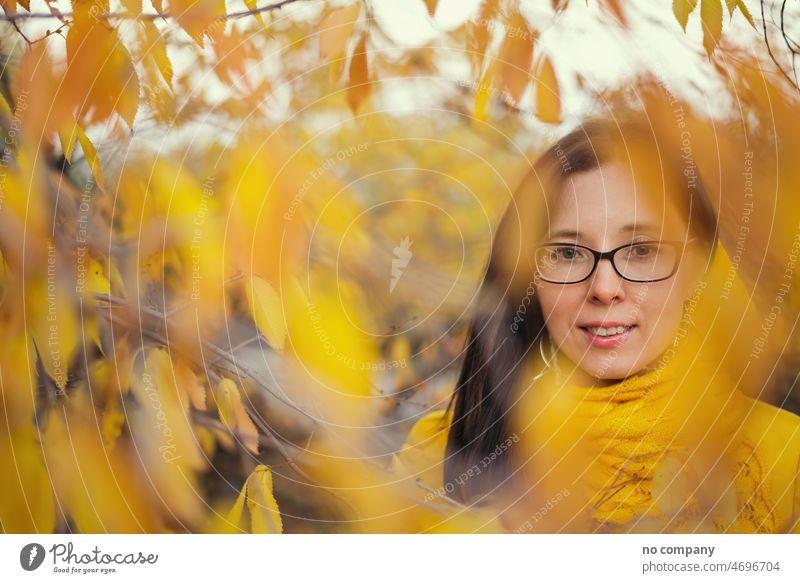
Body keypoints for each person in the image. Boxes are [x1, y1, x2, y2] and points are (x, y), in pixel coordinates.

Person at [393, 115, 800, 533]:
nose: (604, 288)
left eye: (641, 249)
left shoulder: (786, 459)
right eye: (567, 253)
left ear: (695, 268)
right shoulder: (435, 456)